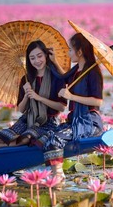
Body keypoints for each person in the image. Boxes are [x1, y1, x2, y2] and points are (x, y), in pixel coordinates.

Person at [0, 40, 67, 153]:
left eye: (39, 56)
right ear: (28, 60)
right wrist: (27, 95)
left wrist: (39, 98)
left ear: (46, 55)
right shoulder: (26, 79)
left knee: (25, 139)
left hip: (48, 122)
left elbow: (61, 107)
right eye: (32, 58)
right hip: (28, 119)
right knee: (3, 136)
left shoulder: (56, 77)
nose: (37, 61)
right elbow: (21, 110)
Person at [35, 33, 104, 179]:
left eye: (70, 50)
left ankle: (58, 178)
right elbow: (64, 78)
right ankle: (49, 172)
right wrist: (53, 61)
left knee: (55, 141)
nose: (68, 53)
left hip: (88, 122)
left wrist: (71, 97)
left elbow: (98, 101)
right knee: (45, 137)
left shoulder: (93, 72)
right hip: (74, 120)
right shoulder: (77, 69)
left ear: (79, 52)